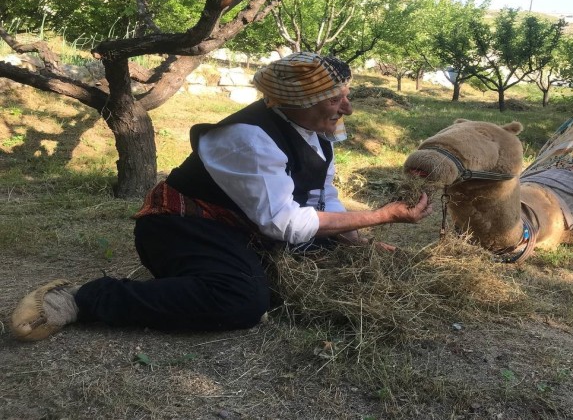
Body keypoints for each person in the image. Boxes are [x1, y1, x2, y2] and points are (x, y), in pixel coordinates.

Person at [11, 52, 433, 341]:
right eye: (333, 99)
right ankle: (83, 298)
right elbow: (285, 224)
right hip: (183, 227)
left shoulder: (320, 133)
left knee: (338, 258)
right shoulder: (250, 139)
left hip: (246, 226)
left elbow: (321, 196)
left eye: (345, 95)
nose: (347, 109)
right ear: (292, 102)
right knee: (242, 301)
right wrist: (381, 215)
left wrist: (360, 243)